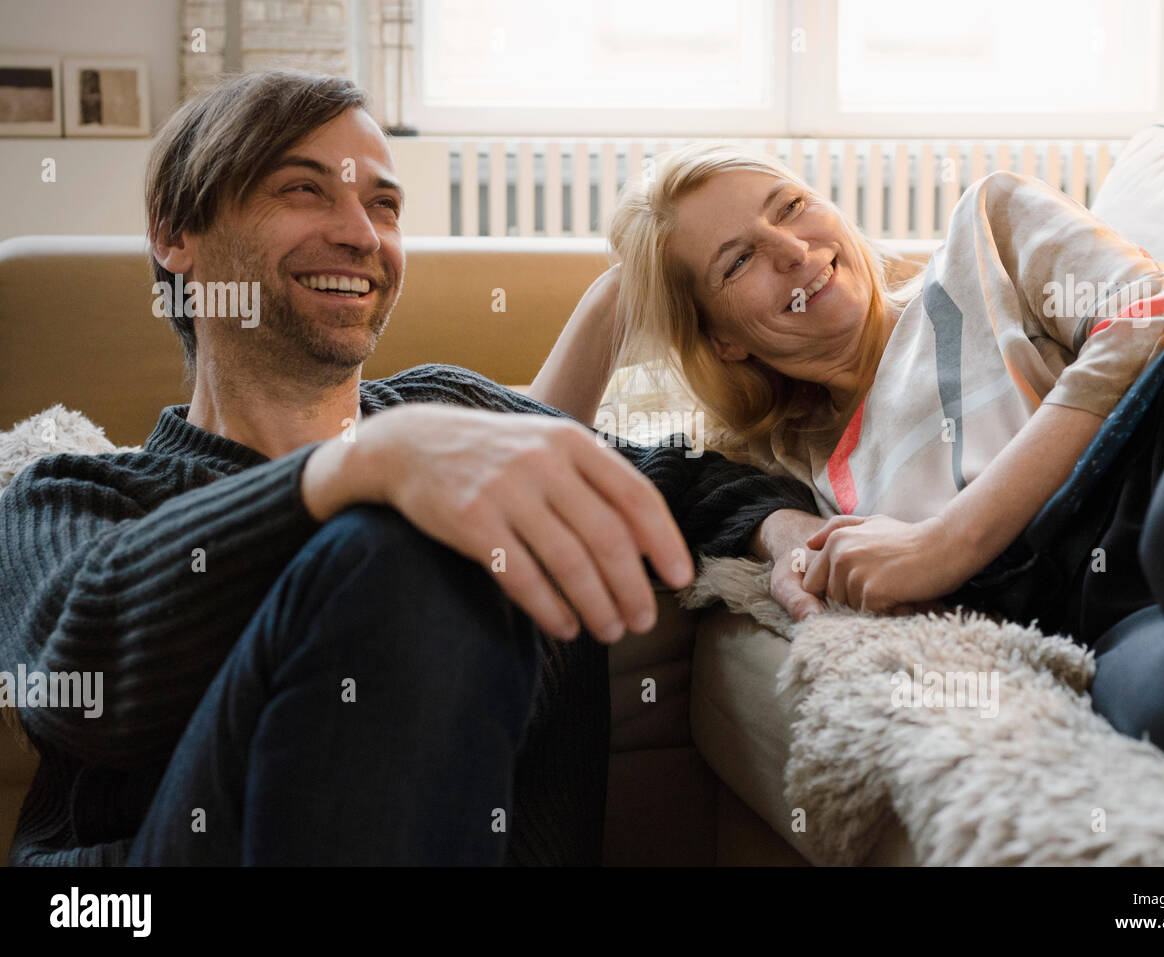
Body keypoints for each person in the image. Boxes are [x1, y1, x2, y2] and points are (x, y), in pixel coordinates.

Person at [0, 74, 826, 866]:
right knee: (403, 543)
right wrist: (362, 470)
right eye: (303, 189)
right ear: (174, 235)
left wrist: (789, 529)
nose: (362, 234)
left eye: (383, 204)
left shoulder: (459, 420)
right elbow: (84, 676)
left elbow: (680, 479)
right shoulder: (71, 493)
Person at [532, 144, 1164, 773]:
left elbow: (1153, 315)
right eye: (739, 262)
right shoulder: (794, 471)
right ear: (722, 337)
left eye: (791, 206)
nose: (795, 252)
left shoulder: (985, 229)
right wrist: (613, 298)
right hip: (1128, 597)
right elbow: (540, 456)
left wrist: (949, 539)